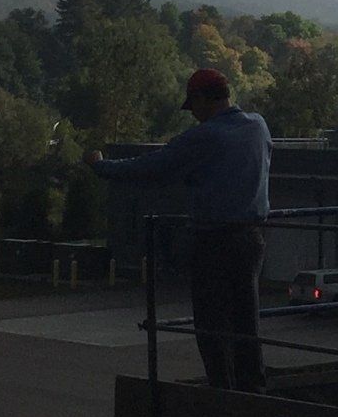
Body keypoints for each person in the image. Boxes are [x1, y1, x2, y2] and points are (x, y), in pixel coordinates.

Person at [90, 68, 271, 390]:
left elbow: (152, 168)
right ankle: (253, 388)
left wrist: (100, 166)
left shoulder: (206, 136)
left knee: (211, 323)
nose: (194, 115)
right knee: (246, 319)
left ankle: (223, 391)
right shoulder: (258, 126)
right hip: (252, 237)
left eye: (194, 106)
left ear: (202, 99)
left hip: (214, 239)